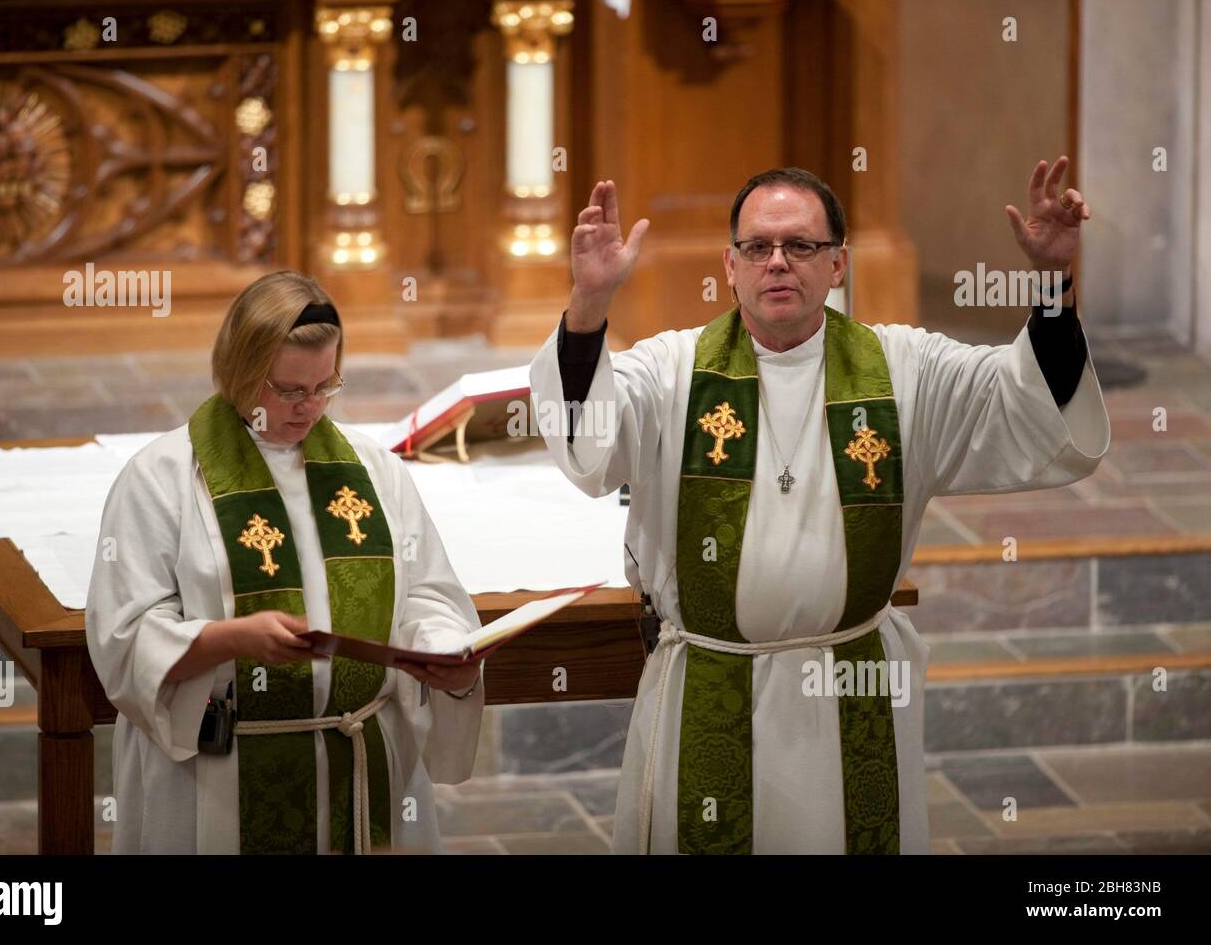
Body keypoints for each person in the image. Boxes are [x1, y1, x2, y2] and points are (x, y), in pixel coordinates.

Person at [528, 159, 1110, 854]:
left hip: (852, 689)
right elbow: (592, 446)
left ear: (837, 264)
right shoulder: (673, 370)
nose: (778, 262)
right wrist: (589, 303)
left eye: (801, 246)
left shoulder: (903, 371)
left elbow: (1027, 401)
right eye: (757, 247)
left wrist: (1051, 286)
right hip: (709, 689)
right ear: (730, 264)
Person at [87, 270, 483, 854]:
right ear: (240, 371)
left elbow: (426, 591)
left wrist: (447, 650)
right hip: (219, 773)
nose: (311, 408)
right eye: (290, 390)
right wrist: (228, 639)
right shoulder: (161, 478)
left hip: (357, 765)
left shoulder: (373, 471)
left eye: (326, 385)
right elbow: (123, 638)